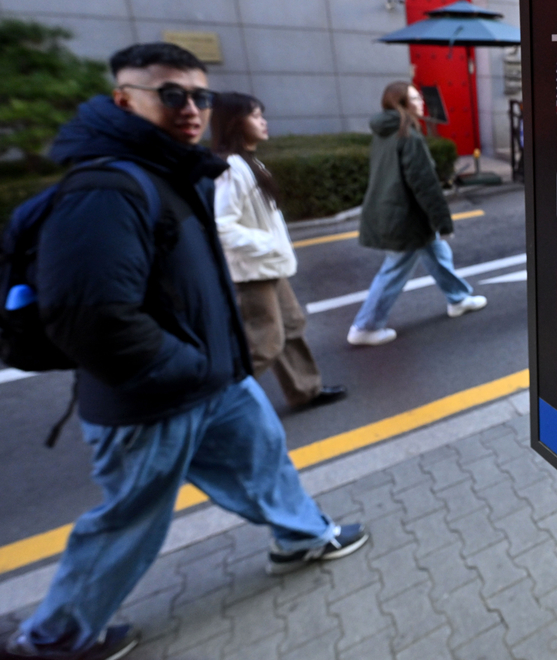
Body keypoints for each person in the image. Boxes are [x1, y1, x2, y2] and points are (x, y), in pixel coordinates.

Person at [1, 44, 367, 660]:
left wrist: (211, 369)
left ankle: (301, 537)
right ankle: (54, 638)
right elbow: (91, 315)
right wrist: (188, 368)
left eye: (200, 96)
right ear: (125, 99)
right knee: (132, 520)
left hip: (211, 384)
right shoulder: (107, 190)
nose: (192, 107)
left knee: (264, 459)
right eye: (172, 94)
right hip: (153, 398)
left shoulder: (167, 171)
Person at [210, 92, 347, 410]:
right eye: (255, 115)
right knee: (264, 343)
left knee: (291, 325)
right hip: (252, 270)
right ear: (235, 122)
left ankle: (305, 390)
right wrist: (267, 244)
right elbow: (222, 225)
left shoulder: (249, 161)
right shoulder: (231, 168)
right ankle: (214, 408)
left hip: (268, 264)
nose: (263, 121)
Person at [347, 81, 486, 346]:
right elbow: (424, 184)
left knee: (436, 251)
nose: (421, 101)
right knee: (396, 268)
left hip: (394, 211)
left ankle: (458, 298)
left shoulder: (385, 133)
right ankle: (366, 326)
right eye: (414, 98)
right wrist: (443, 221)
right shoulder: (408, 135)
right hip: (405, 216)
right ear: (401, 104)